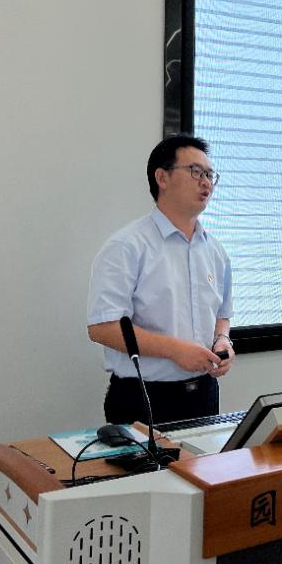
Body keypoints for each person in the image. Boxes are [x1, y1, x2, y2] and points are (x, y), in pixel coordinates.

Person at [87, 133, 234, 424]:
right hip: (143, 396)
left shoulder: (216, 251)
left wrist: (222, 340)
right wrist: (175, 350)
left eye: (210, 175)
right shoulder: (127, 247)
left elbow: (222, 315)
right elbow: (102, 328)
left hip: (204, 393)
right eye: (196, 172)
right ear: (162, 178)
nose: (206, 182)